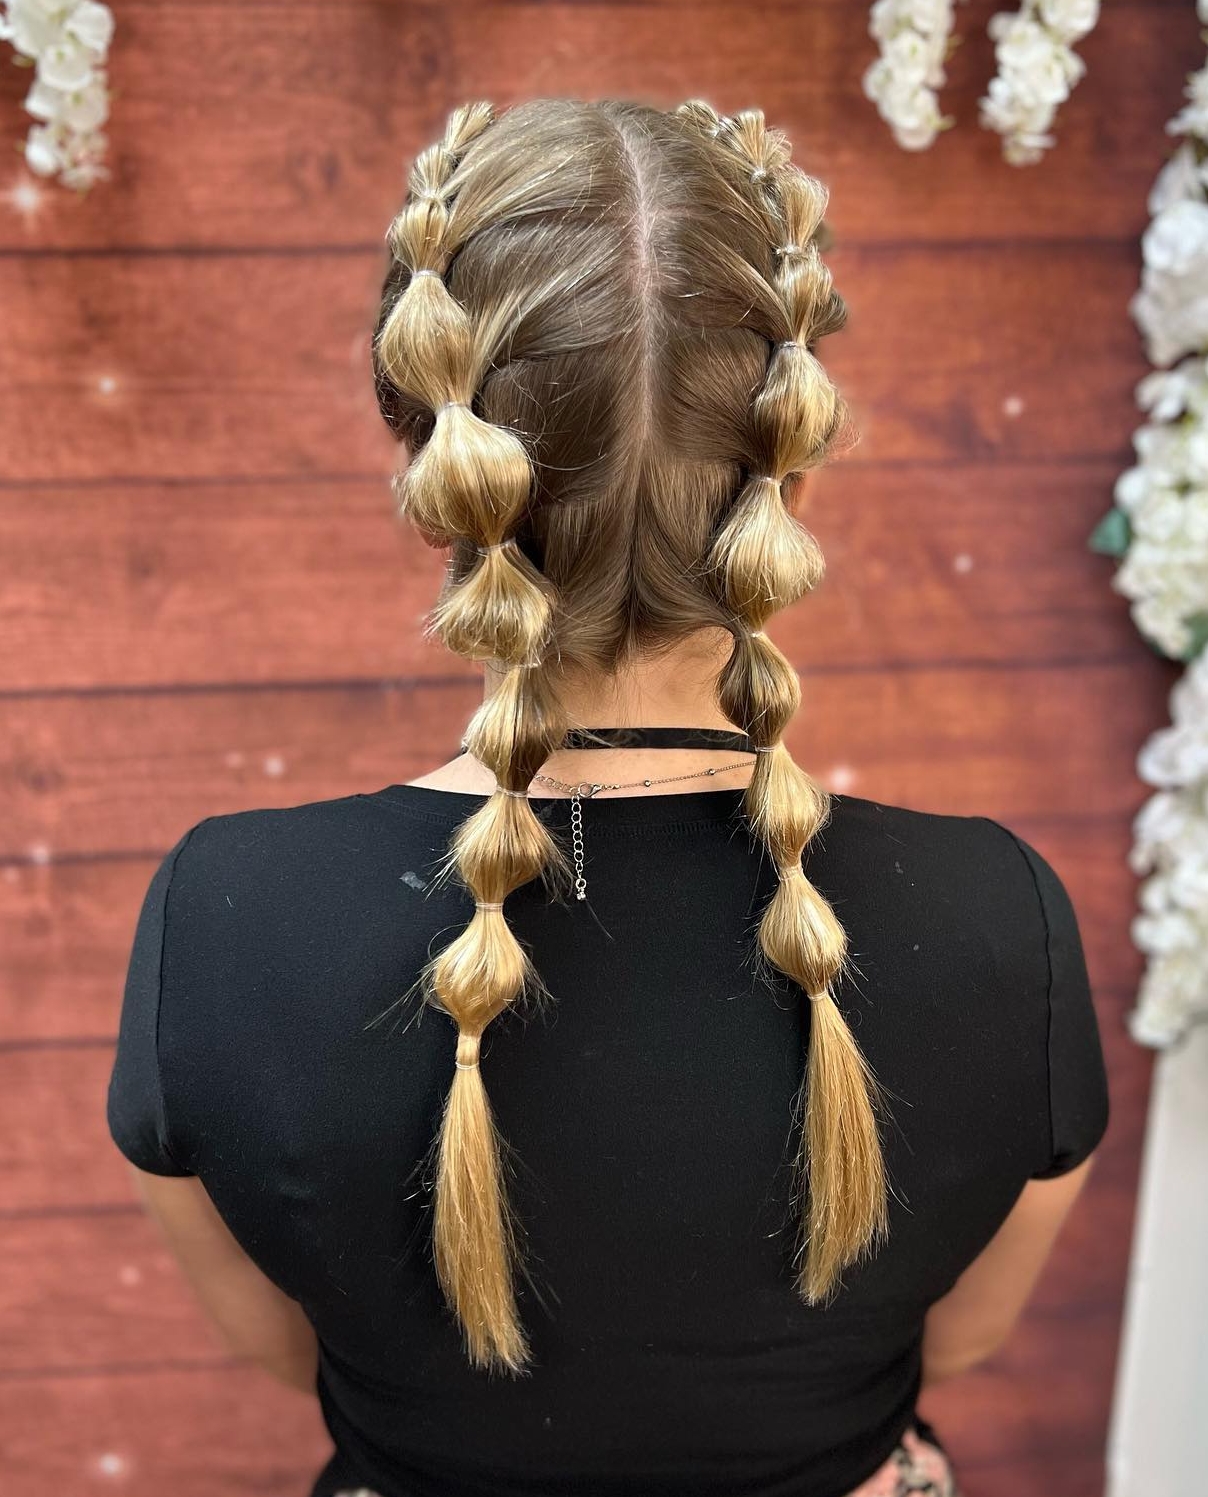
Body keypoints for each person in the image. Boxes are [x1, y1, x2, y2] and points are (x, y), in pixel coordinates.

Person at [106, 98, 1110, 1497]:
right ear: (789, 463)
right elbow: (970, 1334)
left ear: (427, 454)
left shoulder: (223, 915)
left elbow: (281, 1350)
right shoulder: (1001, 917)